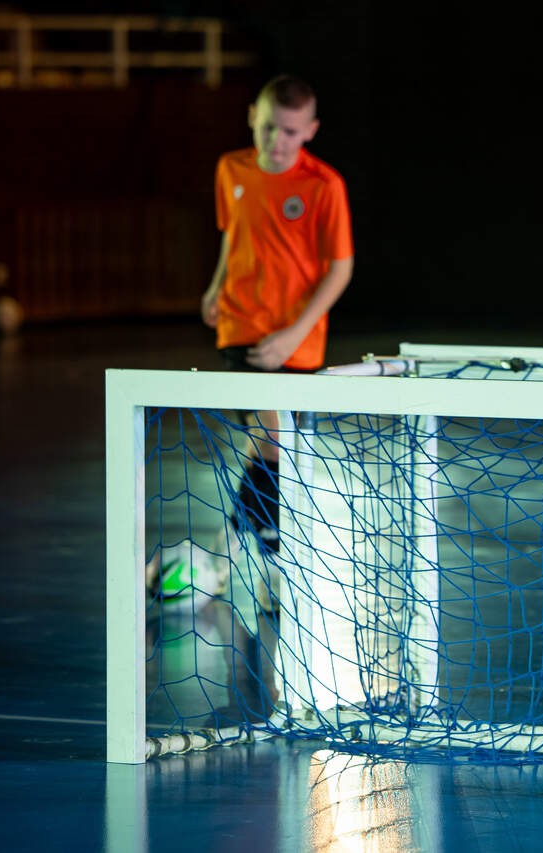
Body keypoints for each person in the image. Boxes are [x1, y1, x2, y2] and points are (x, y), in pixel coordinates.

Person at [149, 74, 353, 610]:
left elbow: (340, 269)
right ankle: (267, 565)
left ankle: (231, 548)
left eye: (290, 132)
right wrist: (216, 286)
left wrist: (293, 334)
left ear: (310, 130)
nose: (277, 141)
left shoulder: (324, 185)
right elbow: (232, 234)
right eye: (268, 128)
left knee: (271, 448)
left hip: (295, 342)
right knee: (272, 443)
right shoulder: (231, 169)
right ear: (251, 119)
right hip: (242, 330)